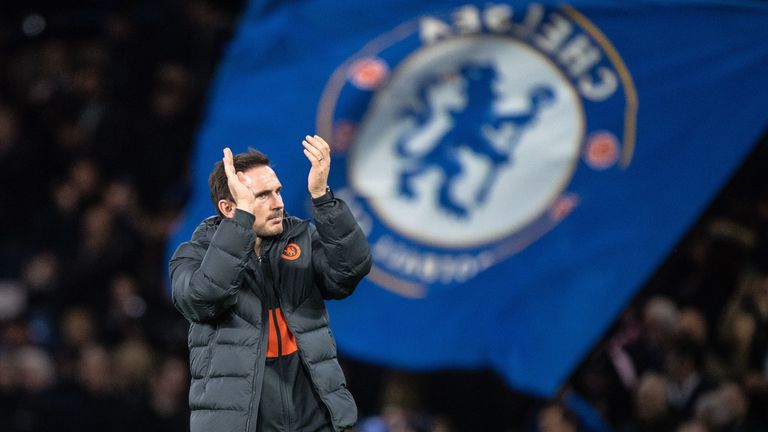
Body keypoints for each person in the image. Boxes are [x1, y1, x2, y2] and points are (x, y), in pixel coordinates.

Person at [170, 135, 372, 432]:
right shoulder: (193, 255)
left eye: (277, 191)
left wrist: (323, 198)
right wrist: (240, 225)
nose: (278, 203)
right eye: (262, 196)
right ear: (229, 208)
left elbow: (350, 271)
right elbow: (205, 298)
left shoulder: (301, 237)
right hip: (244, 422)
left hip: (315, 416)